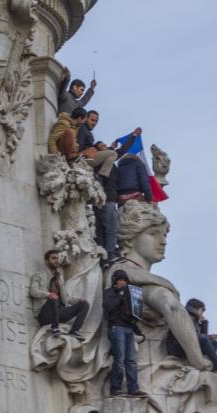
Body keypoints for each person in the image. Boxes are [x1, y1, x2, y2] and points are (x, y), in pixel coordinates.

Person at [92, 128, 141, 261]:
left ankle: (103, 253)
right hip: (107, 198)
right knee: (111, 227)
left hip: (99, 199)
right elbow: (121, 150)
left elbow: (120, 150)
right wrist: (133, 136)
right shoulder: (103, 162)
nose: (106, 147)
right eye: (103, 146)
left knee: (100, 228)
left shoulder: (104, 162)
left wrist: (132, 136)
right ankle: (110, 253)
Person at [102, 270, 147, 397]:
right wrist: (120, 295)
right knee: (119, 359)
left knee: (131, 361)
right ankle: (115, 388)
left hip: (128, 329)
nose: (122, 282)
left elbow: (132, 314)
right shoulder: (110, 292)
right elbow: (108, 306)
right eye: (120, 280)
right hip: (116, 328)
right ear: (115, 281)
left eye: (124, 280)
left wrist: (138, 332)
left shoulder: (128, 295)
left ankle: (133, 389)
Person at [165, 299, 217, 376]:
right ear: (197, 309)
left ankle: (206, 362)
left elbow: (202, 337)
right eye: (202, 311)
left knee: (214, 343)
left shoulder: (195, 320)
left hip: (186, 345)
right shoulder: (185, 316)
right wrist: (208, 337)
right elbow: (190, 335)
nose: (202, 314)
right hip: (176, 346)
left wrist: (204, 323)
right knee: (204, 338)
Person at [30, 250, 89, 339]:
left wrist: (79, 300)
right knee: (54, 297)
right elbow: (33, 291)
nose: (56, 260)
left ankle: (74, 331)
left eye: (57, 258)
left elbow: (66, 298)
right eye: (53, 258)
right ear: (47, 261)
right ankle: (54, 328)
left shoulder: (59, 279)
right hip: (44, 314)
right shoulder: (39, 276)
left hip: (58, 312)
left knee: (84, 304)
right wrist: (48, 294)